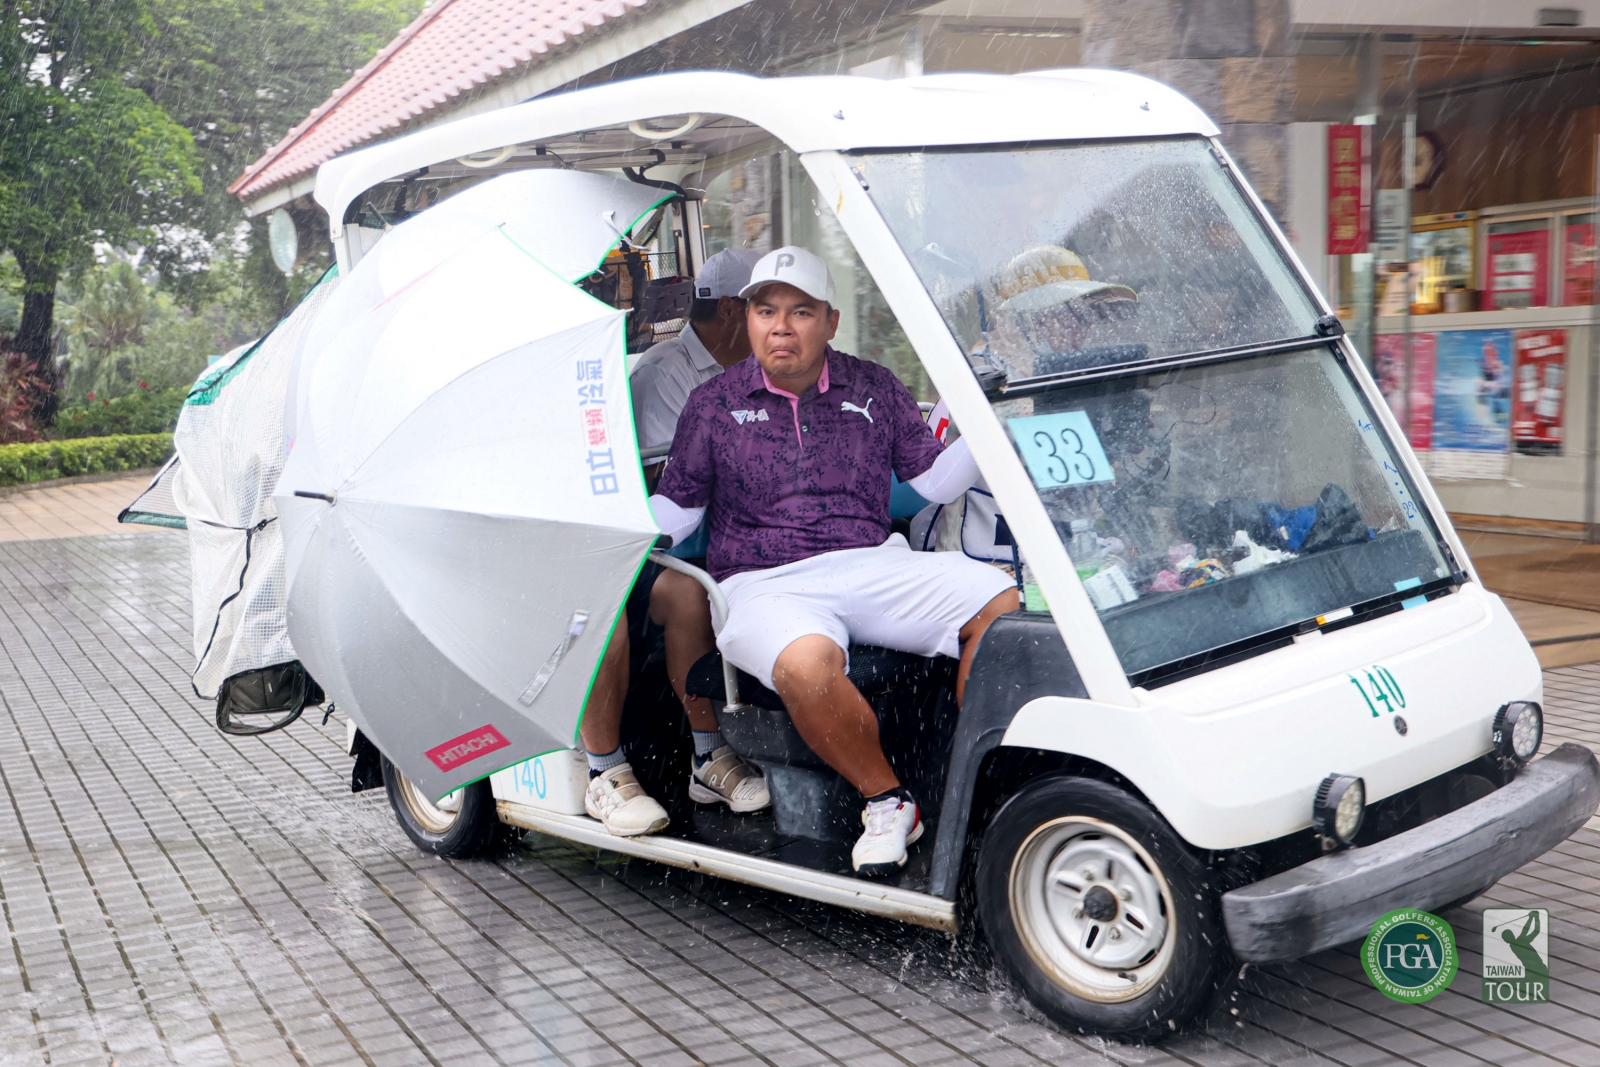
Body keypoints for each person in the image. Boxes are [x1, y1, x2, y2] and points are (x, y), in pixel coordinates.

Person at [649, 245, 1019, 875]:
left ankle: (968, 780)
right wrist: (607, 519)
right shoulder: (713, 403)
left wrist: (986, 423)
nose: (781, 327)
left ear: (830, 322)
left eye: (800, 311)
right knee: (805, 664)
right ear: (748, 318)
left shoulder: (872, 385)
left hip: (874, 562)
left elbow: (931, 484)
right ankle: (888, 799)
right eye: (766, 311)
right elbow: (679, 510)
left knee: (999, 601)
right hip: (767, 583)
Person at [581, 249, 770, 837]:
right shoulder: (667, 374)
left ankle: (708, 755)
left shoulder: (754, 370)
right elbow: (676, 484)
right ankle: (605, 770)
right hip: (635, 545)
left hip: (715, 540)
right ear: (738, 311)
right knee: (672, 595)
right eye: (768, 310)